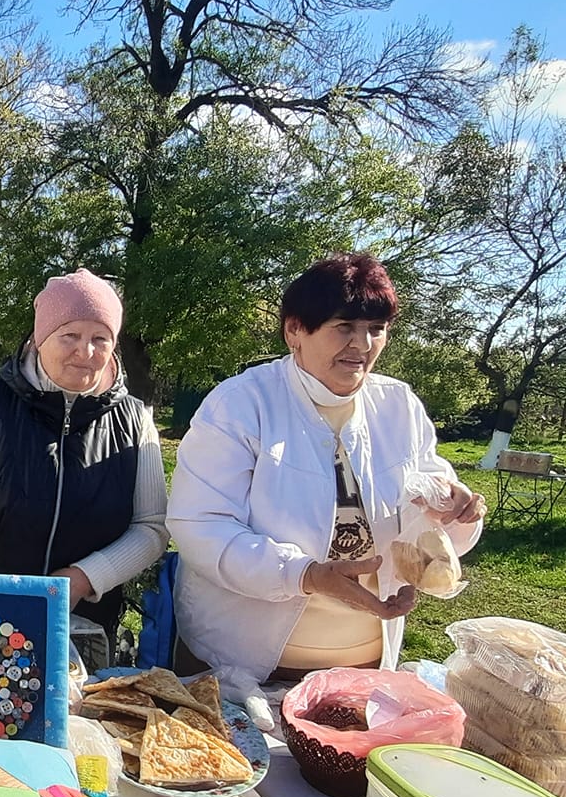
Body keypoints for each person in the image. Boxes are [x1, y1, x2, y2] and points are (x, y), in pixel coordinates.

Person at [169, 253, 485, 688]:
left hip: (361, 666)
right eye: (344, 327)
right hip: (239, 664)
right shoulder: (242, 404)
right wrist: (304, 575)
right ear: (295, 330)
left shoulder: (399, 406)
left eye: (376, 329)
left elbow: (426, 512)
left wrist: (455, 513)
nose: (362, 345)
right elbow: (199, 526)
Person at [0, 270, 167, 636]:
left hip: (83, 629)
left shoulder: (135, 420)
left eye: (100, 338)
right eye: (70, 335)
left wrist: (83, 579)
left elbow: (151, 528)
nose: (86, 350)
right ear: (39, 338)